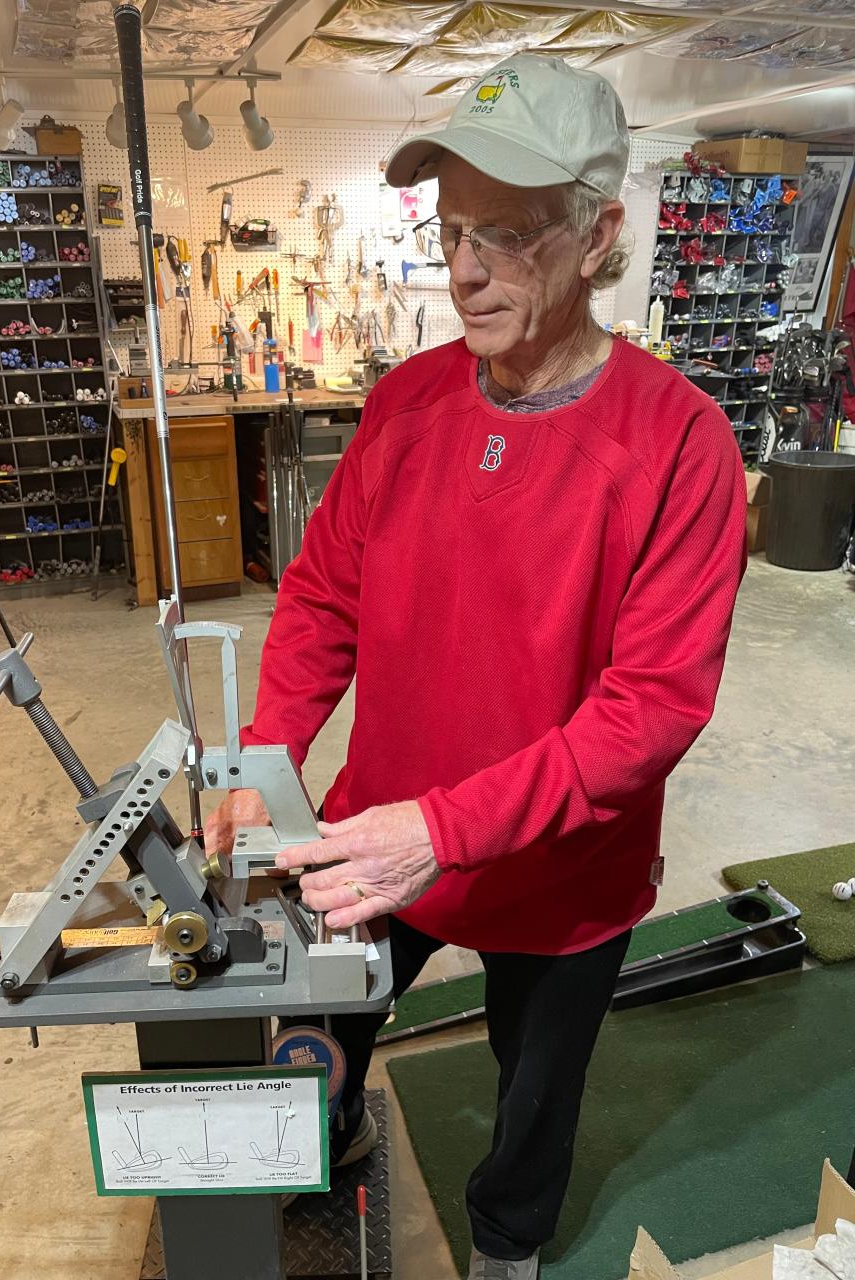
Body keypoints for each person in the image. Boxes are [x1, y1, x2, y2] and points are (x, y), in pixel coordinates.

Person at [207, 54, 747, 1280]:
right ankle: (324, 1137)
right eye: (451, 230)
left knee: (533, 1099)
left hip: (561, 867)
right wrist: (268, 756)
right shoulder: (405, 406)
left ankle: (507, 1242)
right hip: (379, 826)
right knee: (317, 1020)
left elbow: (648, 714)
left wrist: (441, 831)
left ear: (600, 233)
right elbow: (323, 599)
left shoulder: (680, 445)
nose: (461, 272)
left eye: (504, 234)